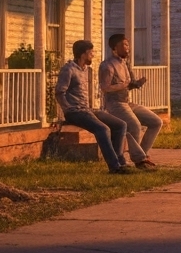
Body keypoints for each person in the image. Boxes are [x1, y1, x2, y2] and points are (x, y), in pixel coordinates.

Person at [55, 40, 131, 174]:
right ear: (83, 54)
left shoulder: (85, 70)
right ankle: (114, 167)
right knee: (103, 129)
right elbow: (59, 92)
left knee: (121, 125)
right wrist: (67, 109)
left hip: (87, 109)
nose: (93, 55)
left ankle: (120, 161)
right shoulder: (69, 69)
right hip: (75, 111)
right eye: (91, 52)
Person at [99, 33, 163, 170]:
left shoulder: (124, 63)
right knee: (134, 125)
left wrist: (137, 83)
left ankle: (143, 154)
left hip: (127, 102)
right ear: (114, 48)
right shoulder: (108, 65)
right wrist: (123, 85)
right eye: (124, 45)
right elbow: (104, 88)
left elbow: (129, 84)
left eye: (128, 45)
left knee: (156, 122)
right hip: (114, 104)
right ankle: (139, 160)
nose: (127, 48)